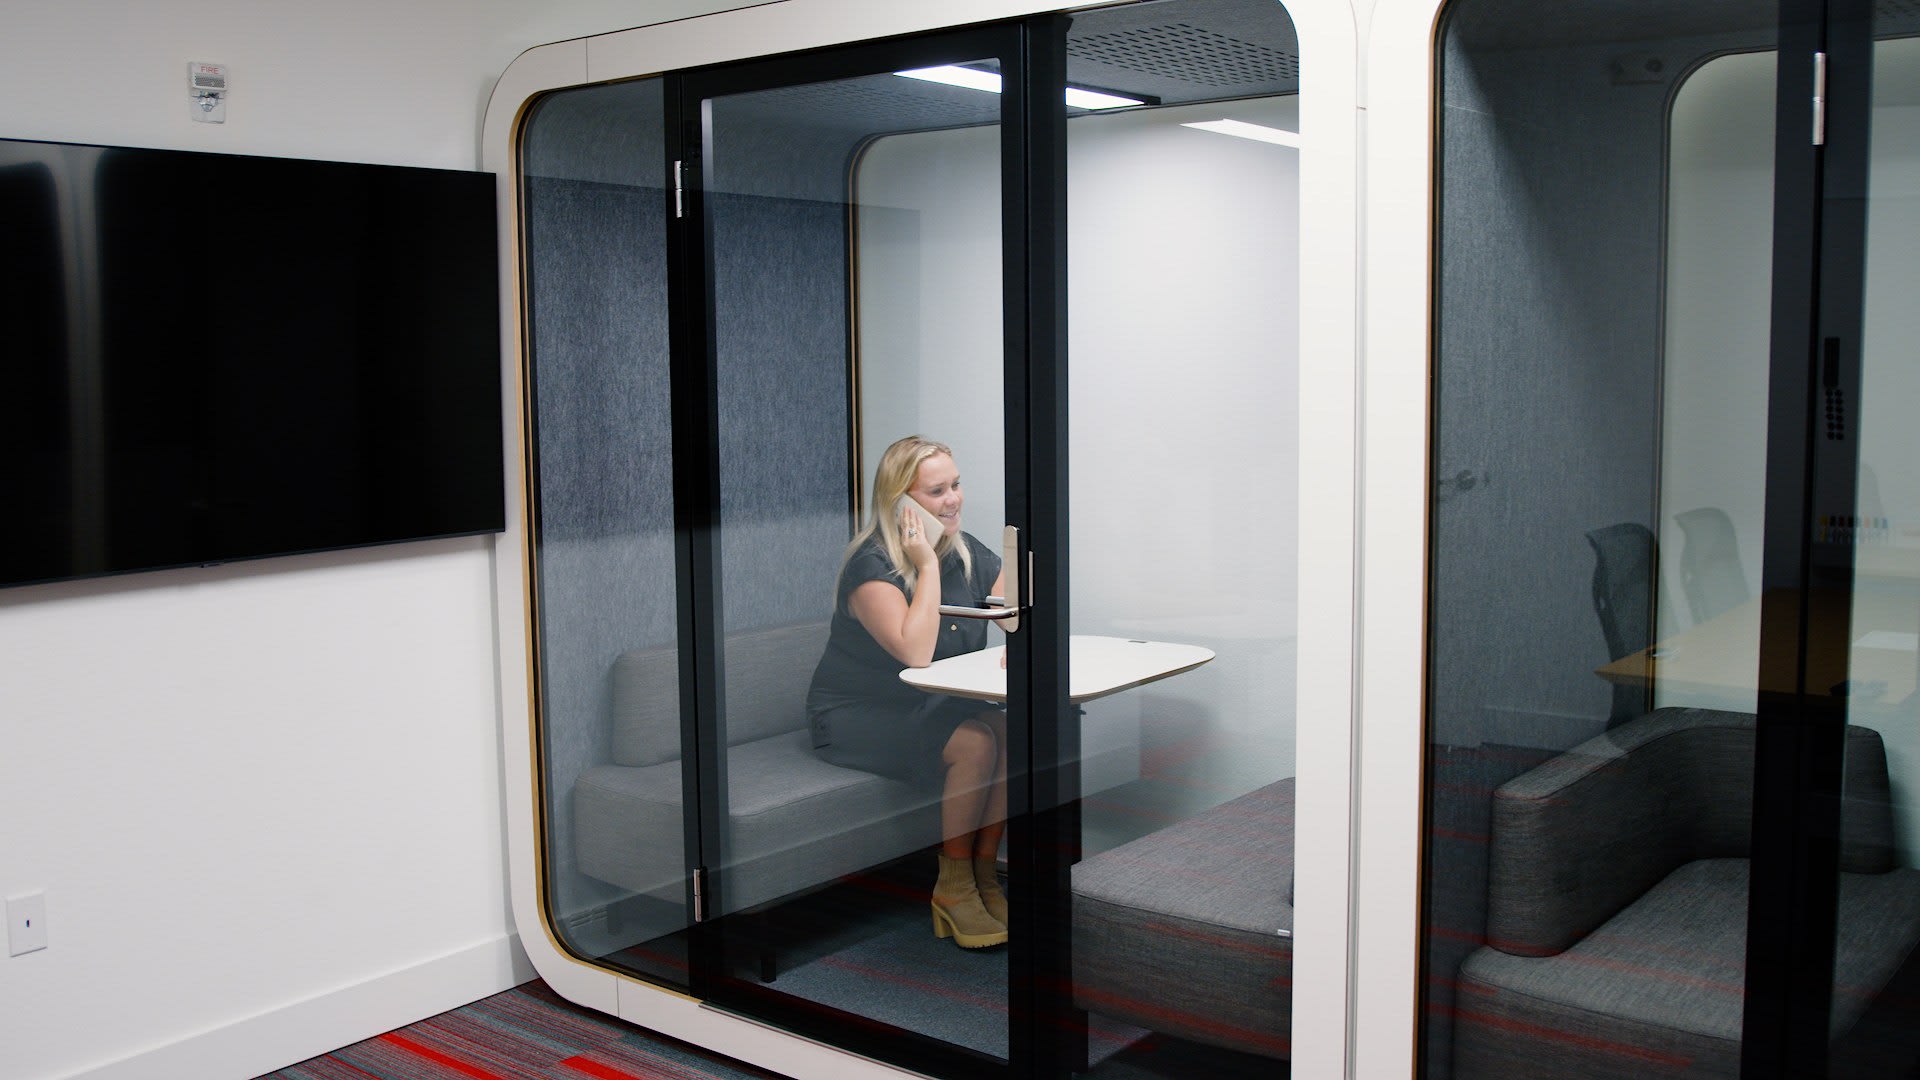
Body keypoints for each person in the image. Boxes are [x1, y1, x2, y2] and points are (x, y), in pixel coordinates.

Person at [805, 435, 1010, 949]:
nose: (954, 499)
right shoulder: (872, 566)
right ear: (901, 504)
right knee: (976, 743)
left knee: (1011, 730)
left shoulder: (962, 549)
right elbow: (916, 651)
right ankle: (954, 888)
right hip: (857, 715)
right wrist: (927, 565)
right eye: (937, 491)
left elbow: (1015, 605)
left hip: (929, 704)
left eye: (956, 485)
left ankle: (985, 877)